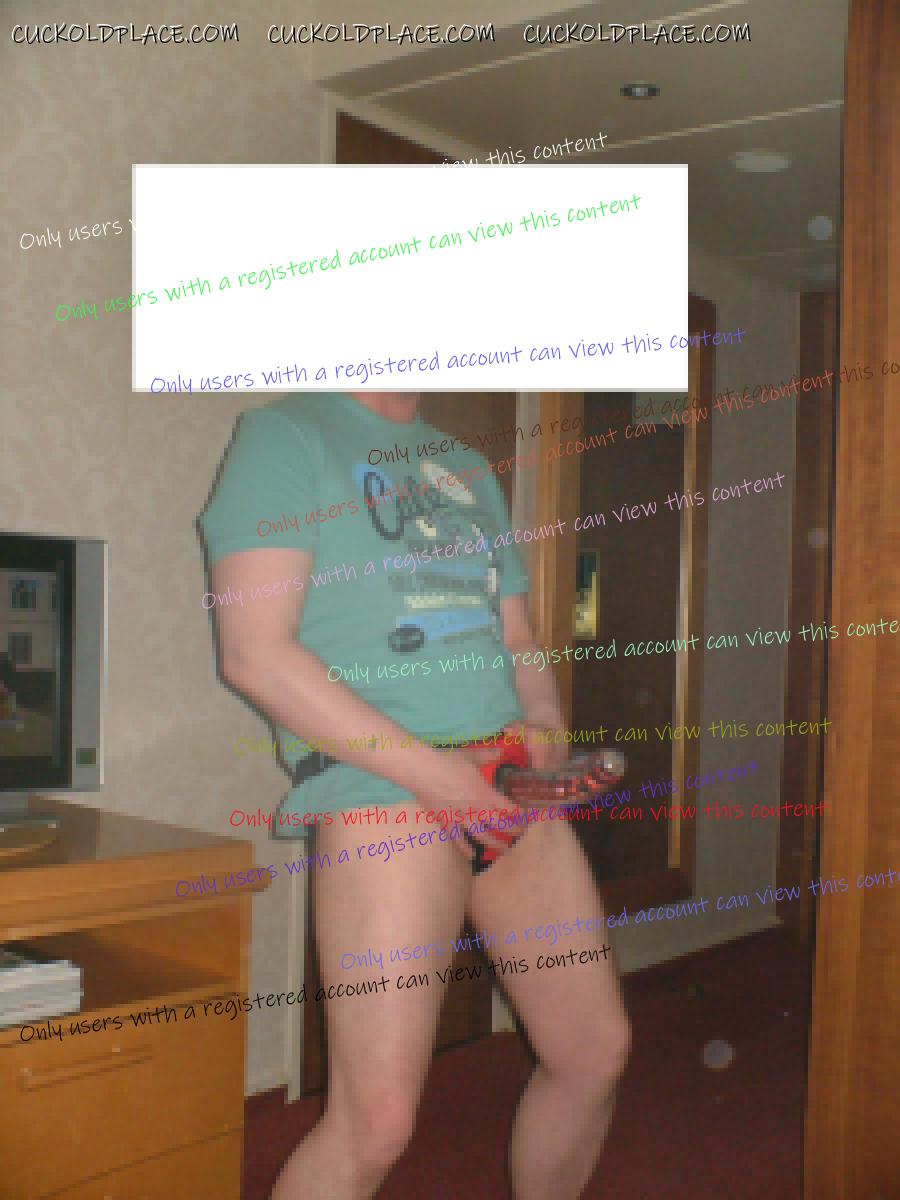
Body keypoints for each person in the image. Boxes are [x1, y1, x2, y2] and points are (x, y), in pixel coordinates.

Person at [199, 391, 629, 1200]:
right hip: (386, 795)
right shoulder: (284, 436)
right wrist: (440, 779)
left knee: (593, 1053)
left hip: (507, 789)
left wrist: (544, 728)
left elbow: (516, 639)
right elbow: (255, 653)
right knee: (376, 1125)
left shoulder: (465, 466)